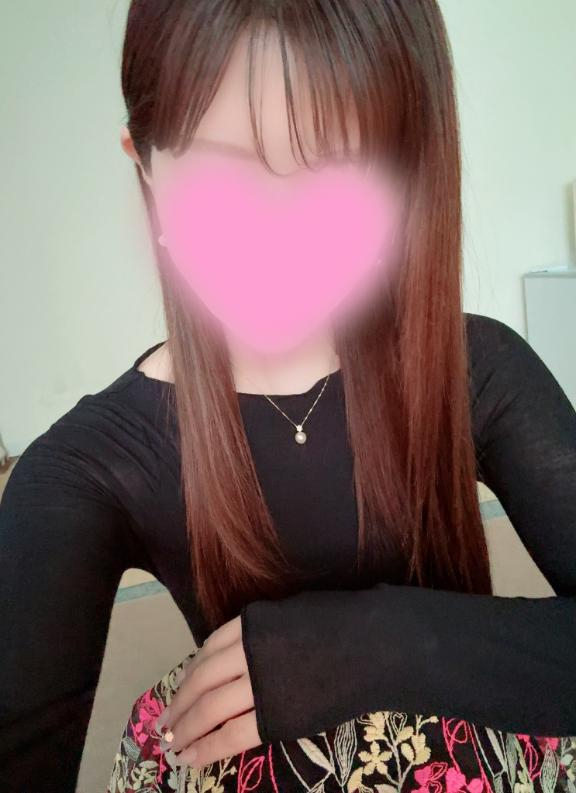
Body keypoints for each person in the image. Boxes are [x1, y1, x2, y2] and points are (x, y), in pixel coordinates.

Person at [1, 1, 575, 791]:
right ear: (146, 165)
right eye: (226, 167)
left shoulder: (477, 365)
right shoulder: (86, 466)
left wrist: (380, 644)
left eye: (340, 166)